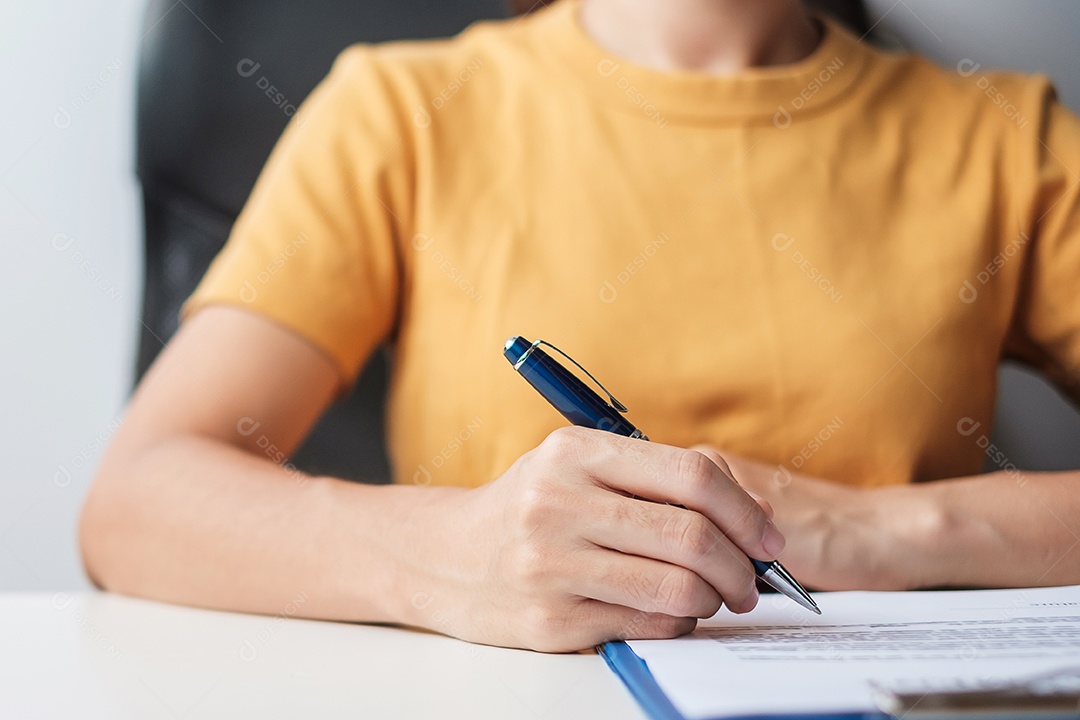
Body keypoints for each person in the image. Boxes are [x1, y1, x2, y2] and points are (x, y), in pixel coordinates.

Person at [79, 0, 1080, 653]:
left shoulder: (1006, 138)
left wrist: (888, 529)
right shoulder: (400, 111)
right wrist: (446, 554)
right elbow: (138, 501)